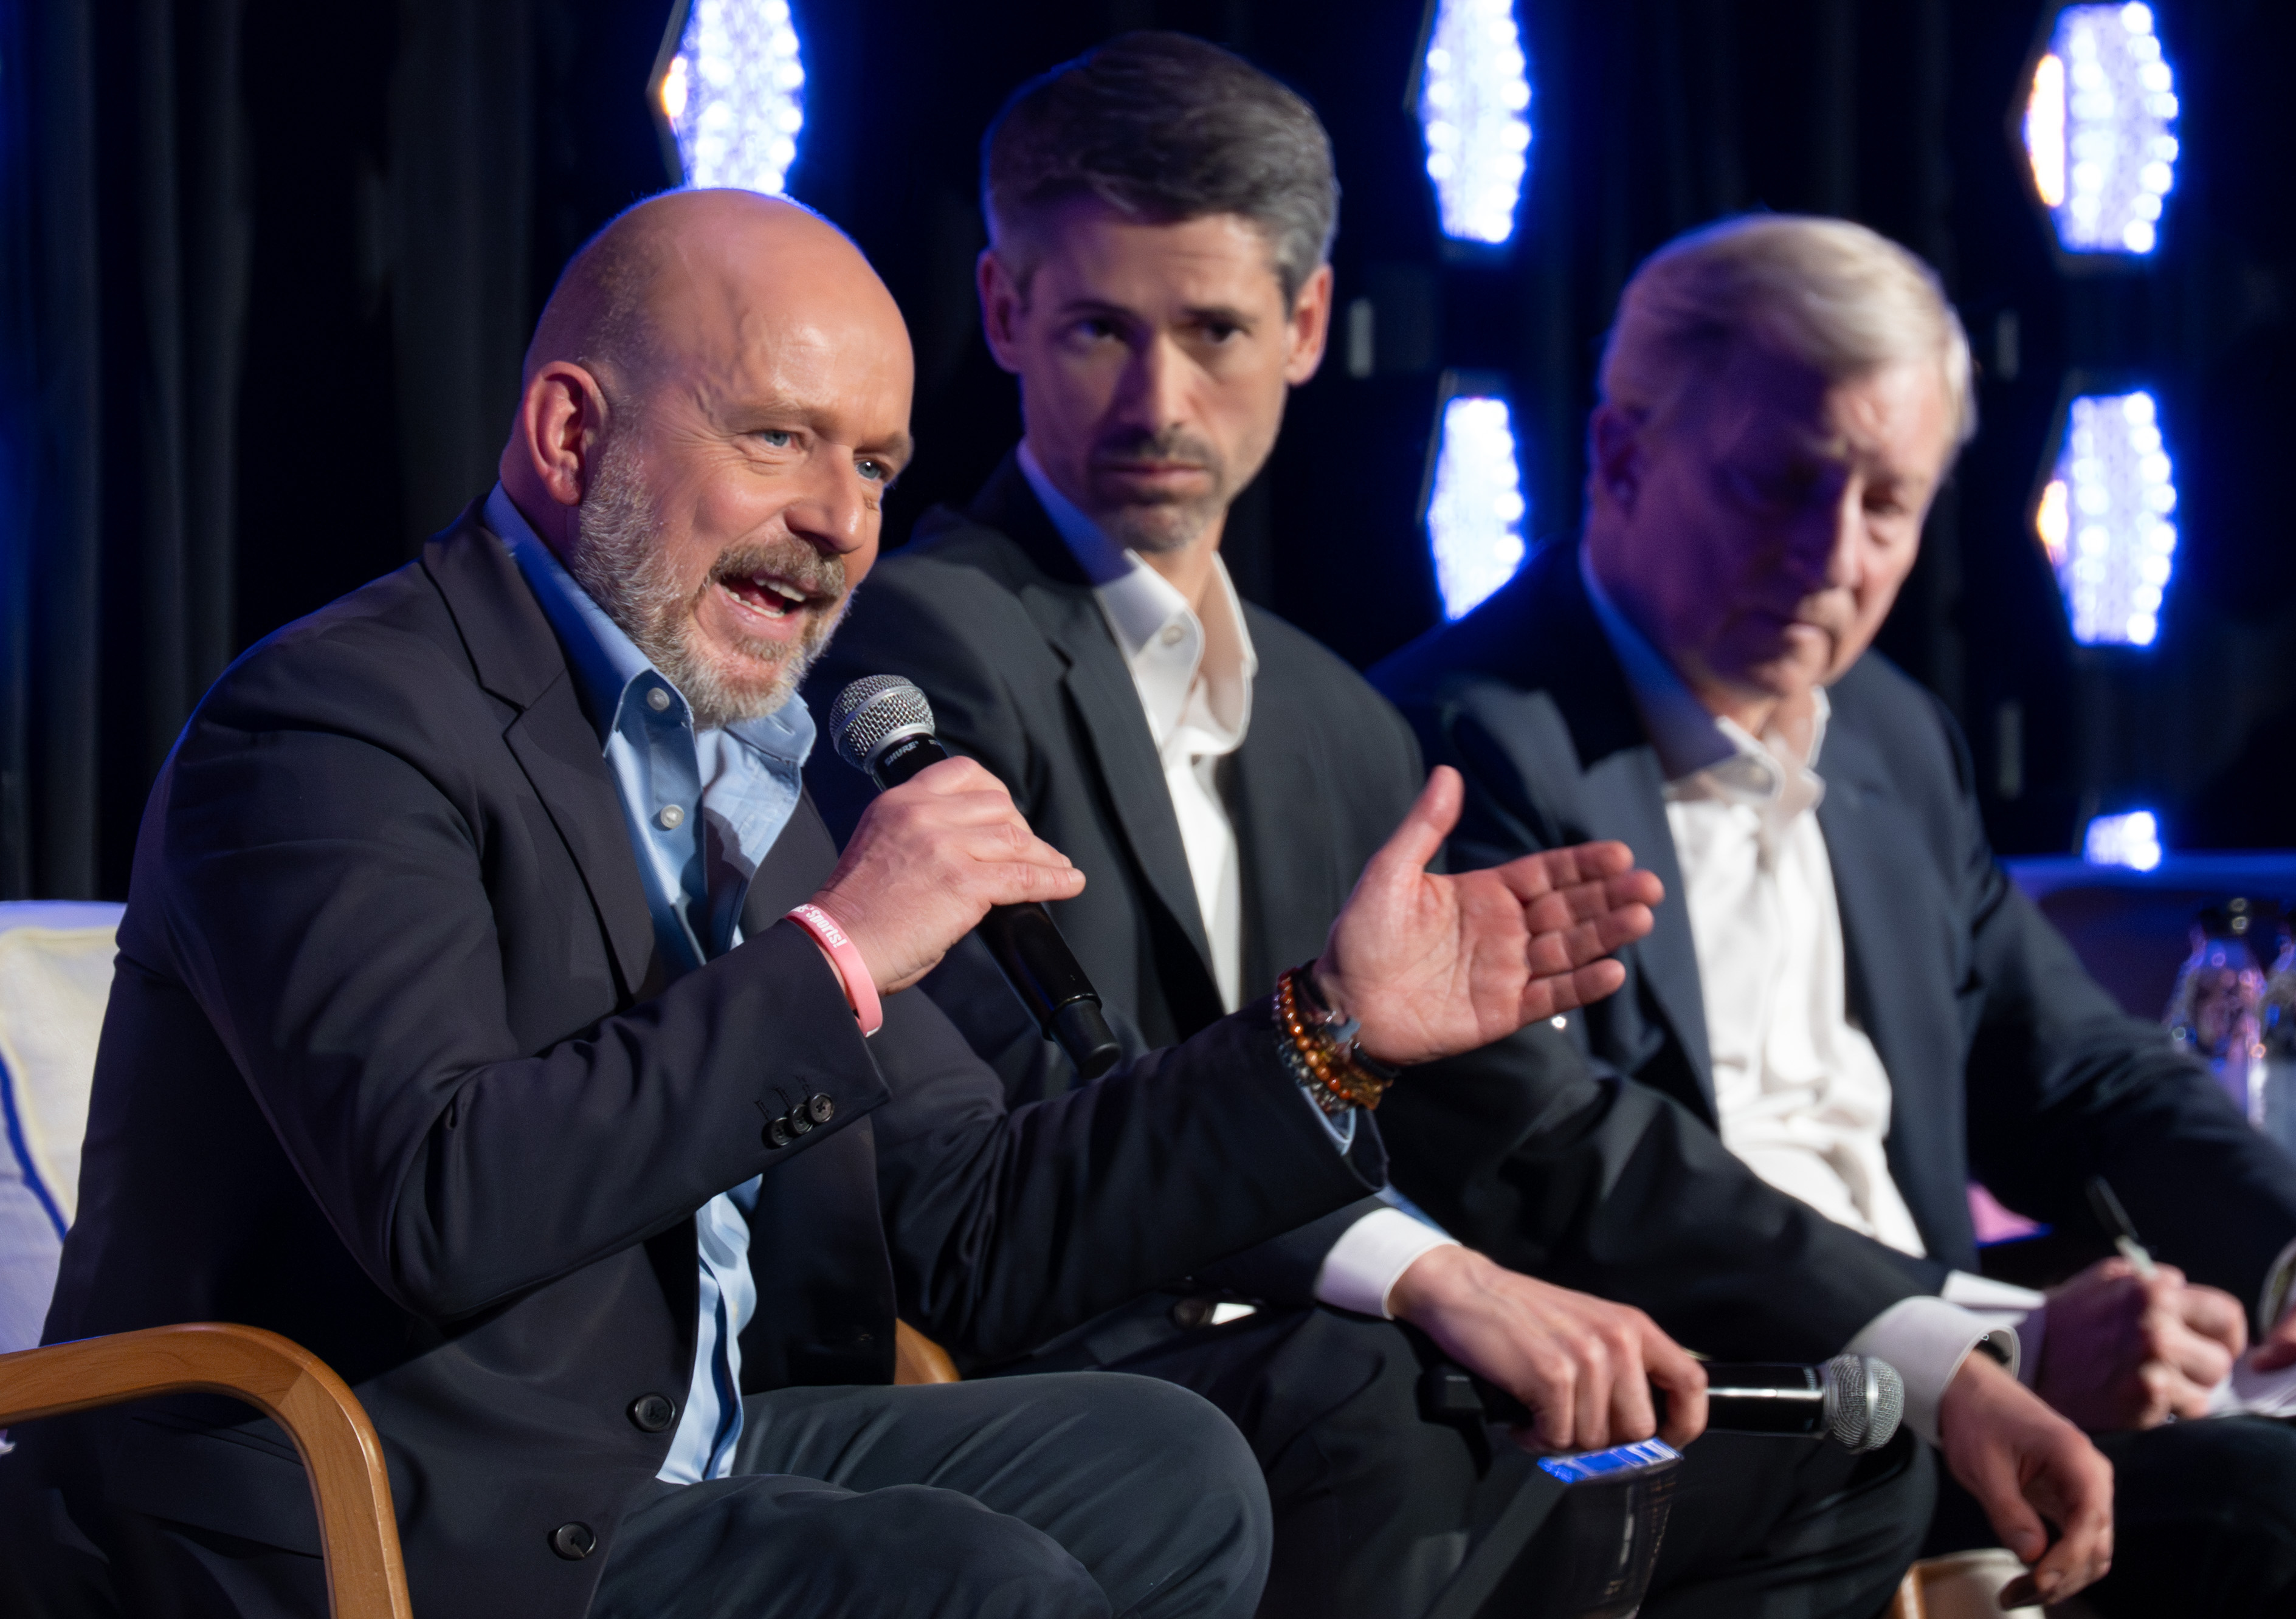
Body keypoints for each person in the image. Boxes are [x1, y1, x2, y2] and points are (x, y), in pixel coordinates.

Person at [21, 188, 1657, 1619]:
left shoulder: (755, 764)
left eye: (876, 463)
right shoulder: (334, 727)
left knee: (1175, 1463)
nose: (841, 524)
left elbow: (973, 1227)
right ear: (572, 432)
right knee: (967, 1585)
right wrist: (841, 951)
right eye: (778, 439)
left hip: (687, 1439)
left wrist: (1328, 1034)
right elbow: (446, 1198)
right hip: (403, 1487)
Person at [805, 35, 2111, 1619]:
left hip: (1348, 1365)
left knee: (1852, 1454)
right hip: (1100, 1363)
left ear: (1303, 326)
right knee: (1386, 1410)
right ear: (1006, 315)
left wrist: (1931, 1351)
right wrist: (1426, 1274)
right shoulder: (927, 643)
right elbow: (1024, 1133)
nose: (1157, 398)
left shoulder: (1338, 714)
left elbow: (1539, 1130)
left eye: (1213, 329)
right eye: (1096, 329)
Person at [1374, 211, 2296, 1618]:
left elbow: (2074, 1069)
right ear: (1620, 454)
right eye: (1781, 486)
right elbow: (1578, 1178)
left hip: (1960, 1368)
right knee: (2261, 1514)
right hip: (1729, 1418)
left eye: (1886, 504)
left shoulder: (1889, 732)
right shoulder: (1451, 747)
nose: (1834, 554)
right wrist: (1992, 1346)